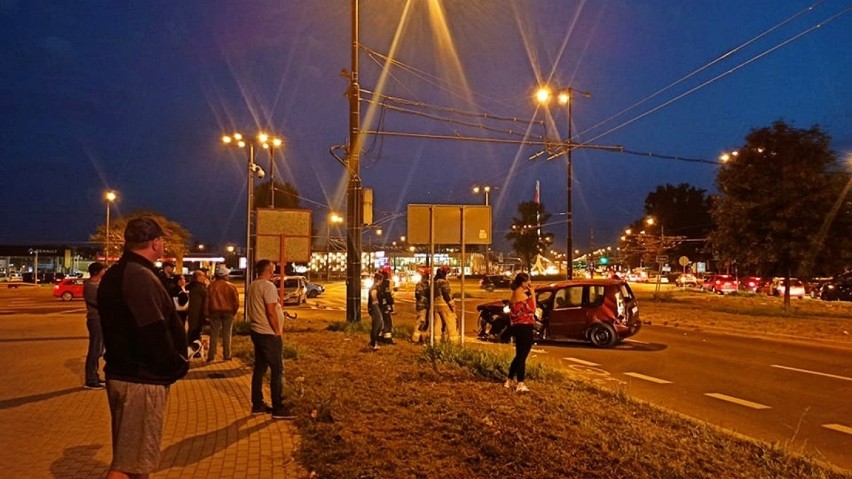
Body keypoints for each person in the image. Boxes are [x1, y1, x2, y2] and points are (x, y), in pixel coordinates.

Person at [98, 217, 189, 478]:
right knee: (127, 467)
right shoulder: (139, 276)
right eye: (162, 241)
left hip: (128, 375)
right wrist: (175, 365)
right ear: (155, 243)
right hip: (140, 380)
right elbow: (152, 331)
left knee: (135, 462)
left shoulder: (120, 272)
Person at [246, 259, 288, 419]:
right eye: (273, 268)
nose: (274, 271)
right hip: (268, 333)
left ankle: (257, 404)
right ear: (268, 270)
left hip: (256, 331)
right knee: (277, 369)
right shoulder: (268, 286)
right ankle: (278, 407)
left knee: (260, 369)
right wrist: (277, 331)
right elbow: (270, 311)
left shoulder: (253, 285)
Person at [505, 272, 536, 393]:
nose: (529, 283)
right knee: (522, 356)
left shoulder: (514, 293)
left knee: (519, 355)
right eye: (528, 281)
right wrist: (532, 293)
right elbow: (533, 309)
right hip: (525, 326)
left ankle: (509, 380)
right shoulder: (522, 295)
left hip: (517, 326)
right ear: (523, 282)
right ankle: (520, 383)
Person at [206, 265, 239, 362]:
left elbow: (207, 302)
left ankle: (211, 356)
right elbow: (236, 302)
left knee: (214, 334)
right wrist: (234, 312)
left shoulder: (211, 286)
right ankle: (227, 355)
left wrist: (206, 314)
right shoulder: (231, 286)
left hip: (214, 312)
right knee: (227, 334)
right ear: (224, 276)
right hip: (228, 312)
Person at [83, 262, 106, 389]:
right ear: (97, 272)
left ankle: (95, 376)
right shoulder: (91, 286)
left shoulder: (95, 284)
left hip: (99, 319)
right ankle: (90, 379)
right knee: (94, 349)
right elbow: (99, 301)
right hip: (95, 319)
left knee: (98, 349)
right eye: (103, 270)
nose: (105, 271)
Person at [433, 266, 459, 343]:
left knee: (438, 324)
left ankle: (436, 342)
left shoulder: (433, 282)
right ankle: (454, 343)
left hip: (435, 305)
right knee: (451, 323)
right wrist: (452, 305)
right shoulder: (443, 282)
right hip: (444, 305)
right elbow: (446, 294)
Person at [186, 269, 208, 357]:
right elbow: (207, 295)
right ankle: (192, 351)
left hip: (194, 313)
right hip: (197, 314)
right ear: (198, 277)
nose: (205, 277)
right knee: (194, 333)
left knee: (193, 333)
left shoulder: (194, 286)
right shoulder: (199, 287)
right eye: (203, 276)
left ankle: (193, 350)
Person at [411, 268, 430, 343]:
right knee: (421, 322)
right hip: (423, 306)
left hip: (424, 305)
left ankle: (422, 338)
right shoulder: (423, 284)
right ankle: (415, 339)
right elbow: (420, 295)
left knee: (424, 323)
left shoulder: (422, 284)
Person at [367, 271, 385, 350]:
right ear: (379, 280)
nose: (382, 282)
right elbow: (373, 296)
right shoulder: (374, 288)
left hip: (375, 307)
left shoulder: (375, 287)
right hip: (375, 307)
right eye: (381, 280)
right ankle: (373, 343)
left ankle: (374, 341)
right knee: (377, 325)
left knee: (380, 324)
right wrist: (376, 302)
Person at [379, 268, 395, 344]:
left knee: (381, 321)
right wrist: (391, 303)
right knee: (387, 321)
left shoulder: (379, 283)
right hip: (384, 305)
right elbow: (387, 294)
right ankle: (388, 339)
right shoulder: (385, 283)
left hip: (379, 305)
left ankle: (380, 337)